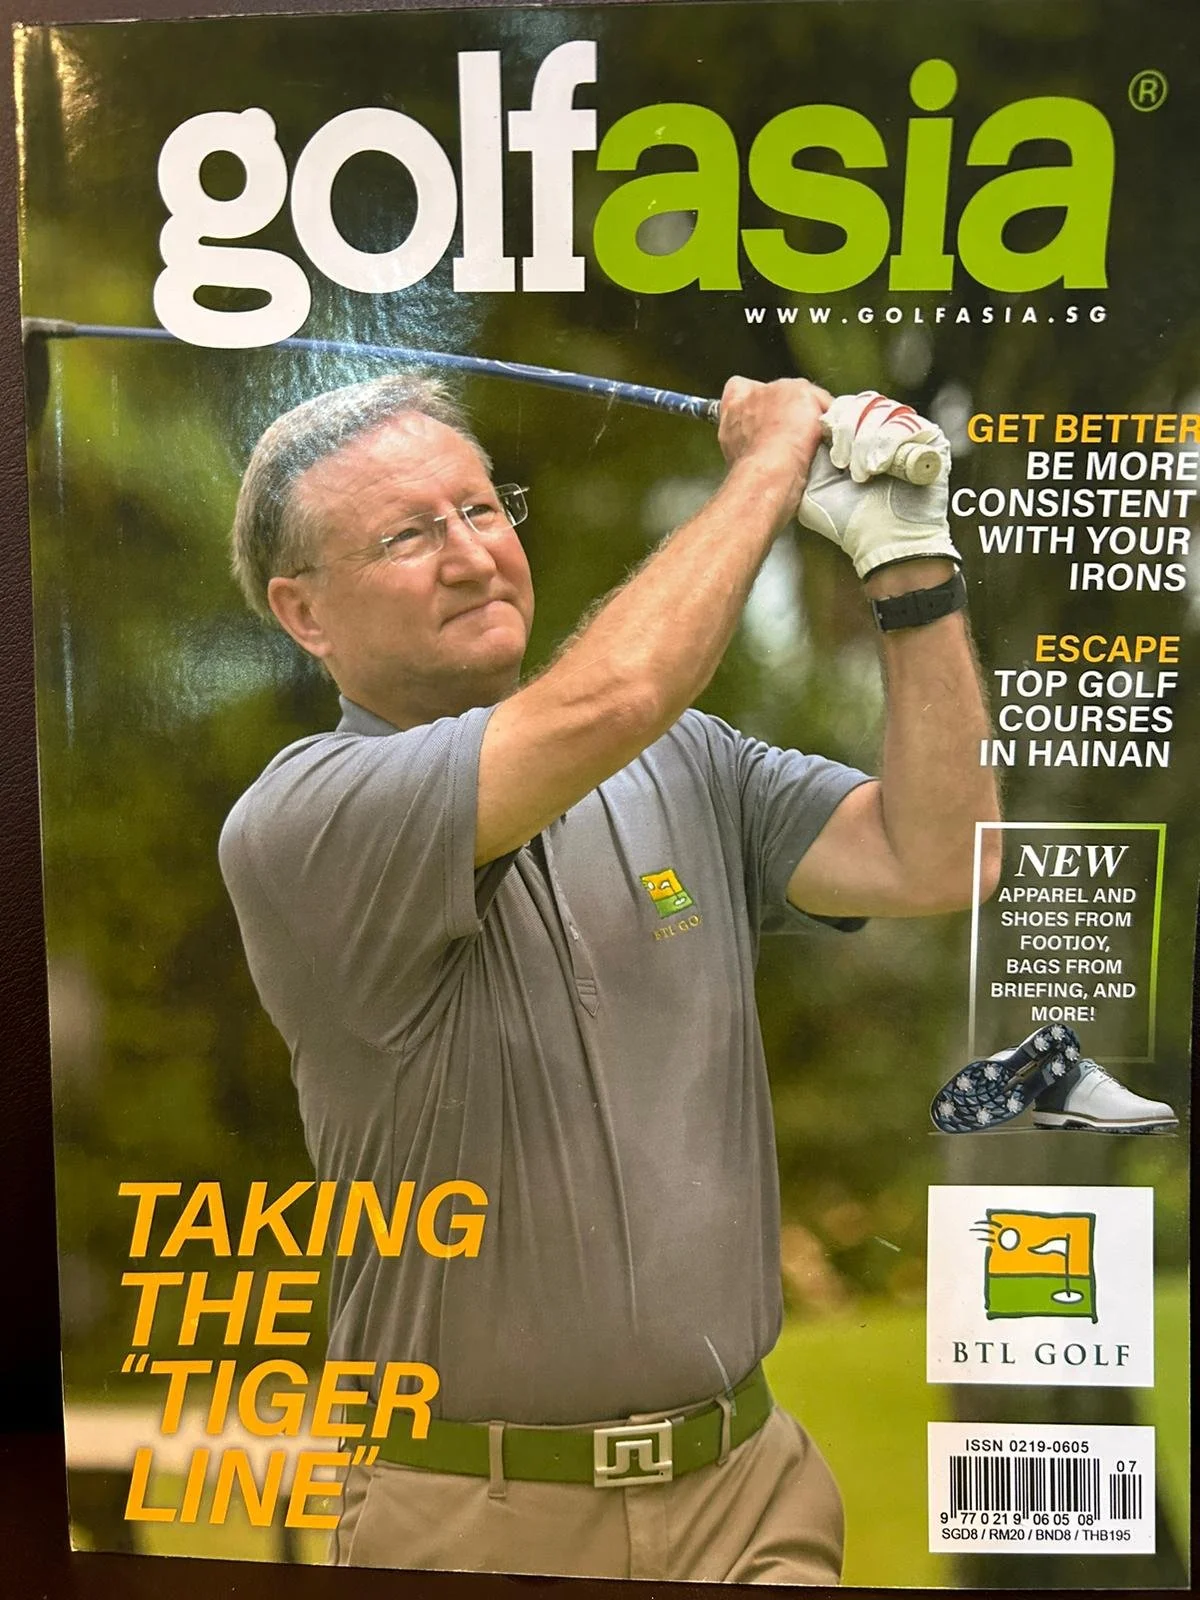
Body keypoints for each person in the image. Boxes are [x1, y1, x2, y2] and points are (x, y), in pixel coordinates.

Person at [219, 372, 999, 1583]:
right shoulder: (301, 819)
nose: (473, 555)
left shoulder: (687, 761)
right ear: (302, 611)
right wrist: (767, 467)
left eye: (484, 509)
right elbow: (622, 690)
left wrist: (909, 567)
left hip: (749, 1495)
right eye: (410, 534)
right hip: (474, 1516)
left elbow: (942, 853)